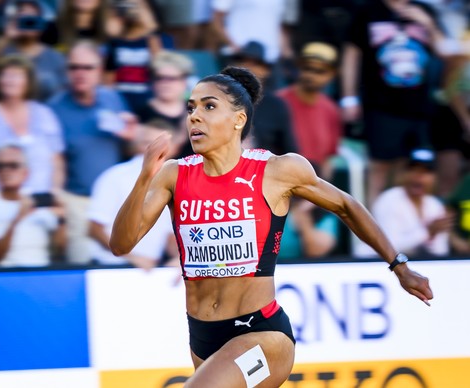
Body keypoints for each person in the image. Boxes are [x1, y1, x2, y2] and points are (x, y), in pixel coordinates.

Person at [109, 66, 433, 387]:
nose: (195, 116)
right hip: (202, 337)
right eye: (191, 107)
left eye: (209, 106)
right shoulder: (173, 174)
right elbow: (121, 244)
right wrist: (143, 179)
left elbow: (347, 205)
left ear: (238, 120)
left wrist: (399, 264)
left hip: (262, 336)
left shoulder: (277, 171)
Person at [341, 0, 444, 205]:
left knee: (411, 169)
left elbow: (445, 51)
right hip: (381, 104)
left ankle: (397, 228)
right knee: (379, 167)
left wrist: (428, 25)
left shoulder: (424, 10)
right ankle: (371, 231)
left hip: (418, 106)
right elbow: (352, 55)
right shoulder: (367, 11)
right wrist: (349, 97)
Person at [48, 40, 136, 264]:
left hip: (115, 201)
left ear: (99, 71)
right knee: (83, 263)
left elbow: (130, 147)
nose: (80, 73)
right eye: (74, 67)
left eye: (88, 68)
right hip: (78, 202)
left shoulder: (113, 99)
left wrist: (131, 136)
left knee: (121, 266)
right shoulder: (54, 108)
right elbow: (52, 161)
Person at [87, 120, 178, 269]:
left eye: (160, 146)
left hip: (149, 270)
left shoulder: (174, 179)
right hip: (110, 268)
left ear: (173, 148)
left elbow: (168, 235)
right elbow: (94, 228)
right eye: (148, 144)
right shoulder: (115, 176)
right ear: (137, 144)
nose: (154, 150)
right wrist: (132, 257)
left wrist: (180, 258)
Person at [0, 54, 65, 194]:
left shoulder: (44, 114)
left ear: (28, 81)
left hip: (41, 205)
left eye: (17, 75)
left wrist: (54, 194)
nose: (10, 80)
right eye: (5, 75)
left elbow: (57, 162)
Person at [0, 144, 66, 268]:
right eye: (0, 166)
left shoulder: (36, 199)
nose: (5, 171)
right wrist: (17, 217)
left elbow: (60, 251)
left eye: (13, 166)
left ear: (26, 172)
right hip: (2, 277)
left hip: (39, 275)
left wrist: (62, 219)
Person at [355, 149, 452, 258]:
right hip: (373, 263)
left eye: (425, 172)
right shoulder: (389, 199)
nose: (418, 176)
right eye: (413, 170)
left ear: (434, 178)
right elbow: (389, 247)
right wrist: (427, 233)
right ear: (403, 174)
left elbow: (440, 251)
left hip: (415, 266)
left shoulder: (435, 205)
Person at [277, 42, 342, 179]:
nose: (311, 75)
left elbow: (327, 160)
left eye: (320, 71)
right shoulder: (279, 102)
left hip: (312, 187)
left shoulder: (331, 110)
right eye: (307, 68)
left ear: (332, 75)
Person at [0, 0, 67, 101]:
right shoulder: (4, 50)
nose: (28, 23)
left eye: (32, 20)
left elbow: (64, 92)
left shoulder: (55, 57)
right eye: (24, 19)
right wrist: (7, 36)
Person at [230, 41, 298, 156]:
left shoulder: (276, 106)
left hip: (265, 170)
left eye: (255, 63)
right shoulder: (220, 100)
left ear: (266, 71)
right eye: (242, 62)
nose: (247, 68)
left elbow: (289, 151)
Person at [136, 50, 193, 157]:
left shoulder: (195, 110)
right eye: (159, 78)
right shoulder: (141, 113)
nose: (165, 83)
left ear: (184, 81)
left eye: (172, 78)